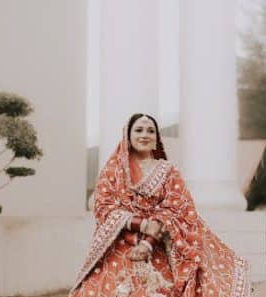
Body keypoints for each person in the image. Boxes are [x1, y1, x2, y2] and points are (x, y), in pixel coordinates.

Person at [69, 113, 251, 297]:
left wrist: (148, 242)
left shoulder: (168, 171)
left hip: (157, 245)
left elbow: (178, 210)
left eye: (150, 131)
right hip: (119, 243)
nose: (144, 135)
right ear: (128, 137)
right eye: (138, 130)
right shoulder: (113, 171)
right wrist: (142, 224)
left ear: (156, 139)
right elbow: (104, 207)